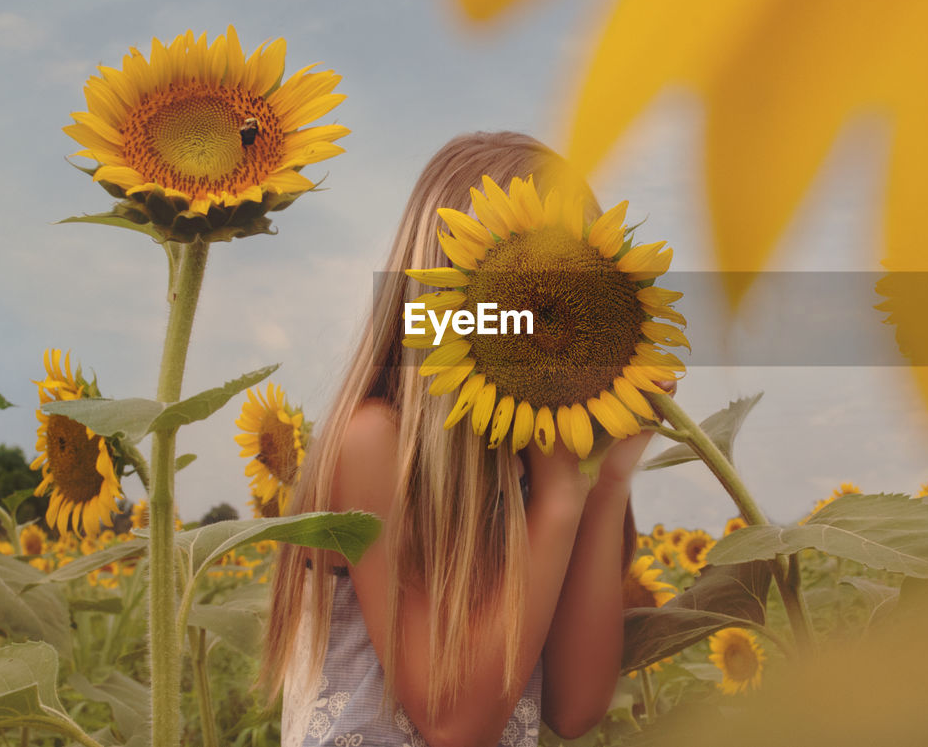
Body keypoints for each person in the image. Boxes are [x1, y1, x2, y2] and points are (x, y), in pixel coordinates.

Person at [259, 131, 668, 747]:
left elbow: (576, 708)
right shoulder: (376, 445)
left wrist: (605, 481)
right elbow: (453, 727)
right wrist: (560, 494)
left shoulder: (536, 462)